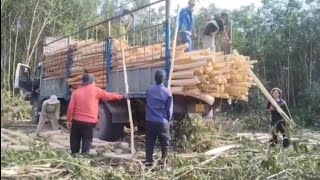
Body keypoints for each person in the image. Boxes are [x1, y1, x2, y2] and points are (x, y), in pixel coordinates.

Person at [66, 73, 127, 154]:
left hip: (76, 121)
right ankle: (84, 156)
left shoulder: (76, 92)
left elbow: (70, 108)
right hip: (89, 122)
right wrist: (122, 96)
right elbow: (109, 96)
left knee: (75, 139)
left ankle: (74, 155)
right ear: (91, 82)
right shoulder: (96, 90)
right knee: (87, 140)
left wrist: (68, 120)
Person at [145, 70, 173, 166]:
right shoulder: (167, 92)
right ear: (163, 79)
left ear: (155, 78)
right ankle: (164, 161)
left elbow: (148, 103)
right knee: (165, 143)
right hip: (162, 121)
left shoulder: (149, 90)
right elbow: (169, 109)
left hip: (150, 120)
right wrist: (168, 120)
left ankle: (149, 161)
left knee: (149, 142)